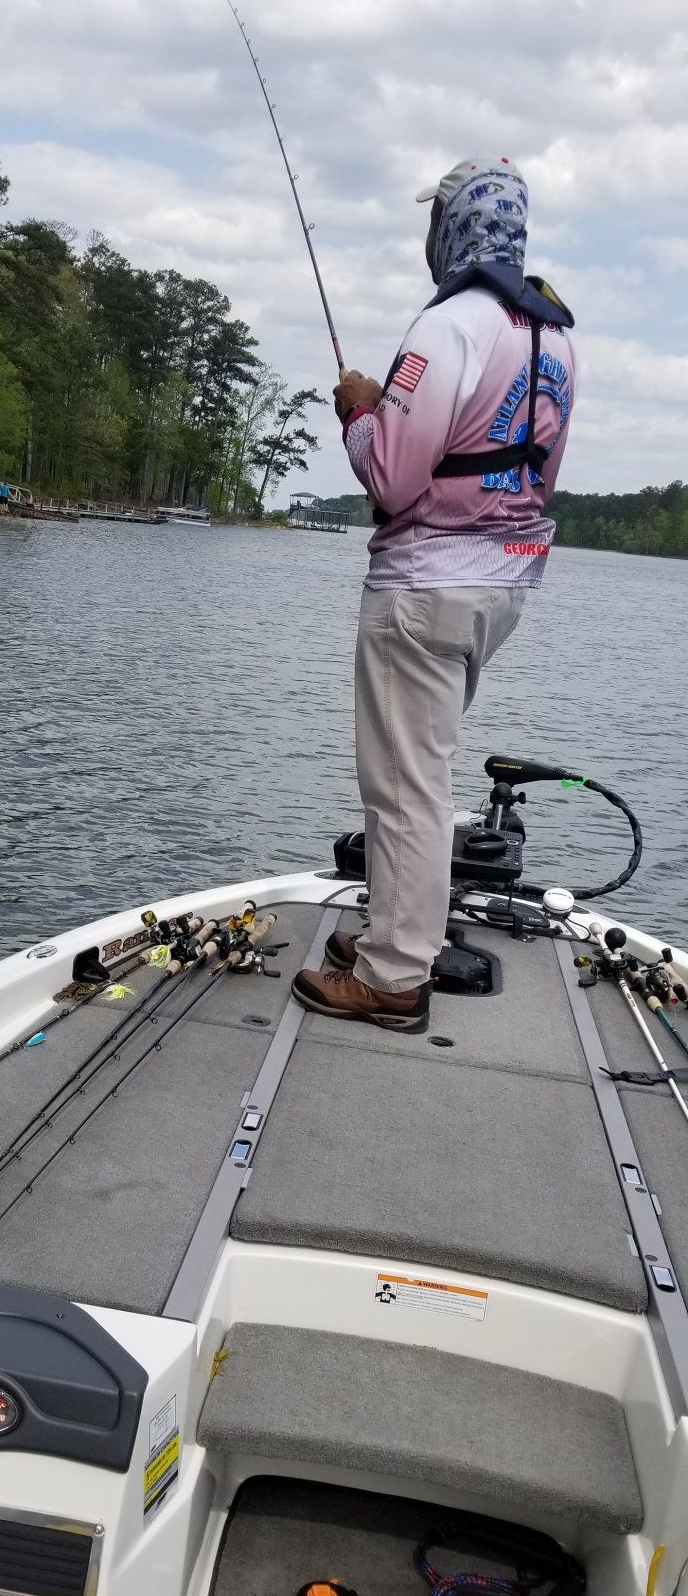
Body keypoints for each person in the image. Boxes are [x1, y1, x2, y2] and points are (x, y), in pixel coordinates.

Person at [292, 157, 576, 1033]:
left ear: (450, 230)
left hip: (423, 588)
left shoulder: (445, 327)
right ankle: (392, 931)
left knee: (404, 785)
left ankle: (391, 975)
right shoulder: (555, 336)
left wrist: (358, 409)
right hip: (502, 586)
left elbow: (390, 475)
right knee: (421, 773)